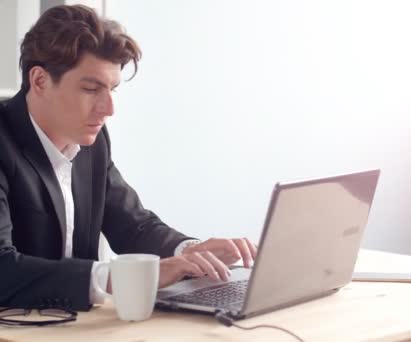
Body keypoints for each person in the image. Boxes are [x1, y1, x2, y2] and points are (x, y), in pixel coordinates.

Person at [0, 4, 256, 311]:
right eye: (91, 89)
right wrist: (127, 277)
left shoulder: (91, 141)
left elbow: (132, 225)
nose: (108, 109)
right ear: (40, 81)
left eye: (112, 90)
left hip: (72, 327)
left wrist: (189, 251)